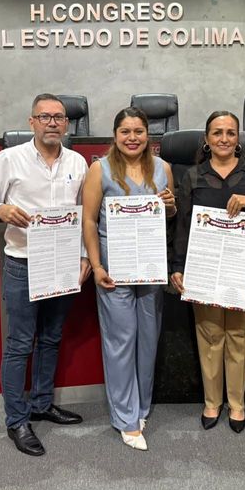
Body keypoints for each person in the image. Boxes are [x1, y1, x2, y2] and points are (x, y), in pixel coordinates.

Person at [0, 93, 91, 457]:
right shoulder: (9, 158)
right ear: (32, 122)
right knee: (20, 344)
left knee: (52, 338)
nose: (53, 122)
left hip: (63, 262)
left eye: (59, 117)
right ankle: (17, 420)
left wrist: (86, 255)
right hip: (24, 263)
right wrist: (3, 209)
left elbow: (85, 213)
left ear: (67, 124)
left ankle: (42, 403)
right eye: (45, 116)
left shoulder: (78, 162)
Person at [170, 111, 245, 433]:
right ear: (206, 139)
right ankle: (211, 403)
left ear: (238, 139)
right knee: (209, 334)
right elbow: (182, 226)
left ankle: (237, 404)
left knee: (238, 334)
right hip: (202, 264)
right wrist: (177, 266)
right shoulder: (192, 176)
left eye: (231, 133)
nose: (224, 139)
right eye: (217, 133)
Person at [82, 107, 176, 451]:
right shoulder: (100, 169)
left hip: (150, 269)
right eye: (125, 131)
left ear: (148, 134)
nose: (132, 138)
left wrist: (170, 206)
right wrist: (96, 265)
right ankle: (125, 418)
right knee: (121, 342)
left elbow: (169, 216)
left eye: (138, 131)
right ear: (115, 134)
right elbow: (89, 221)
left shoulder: (163, 169)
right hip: (114, 271)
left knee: (148, 339)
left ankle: (141, 407)